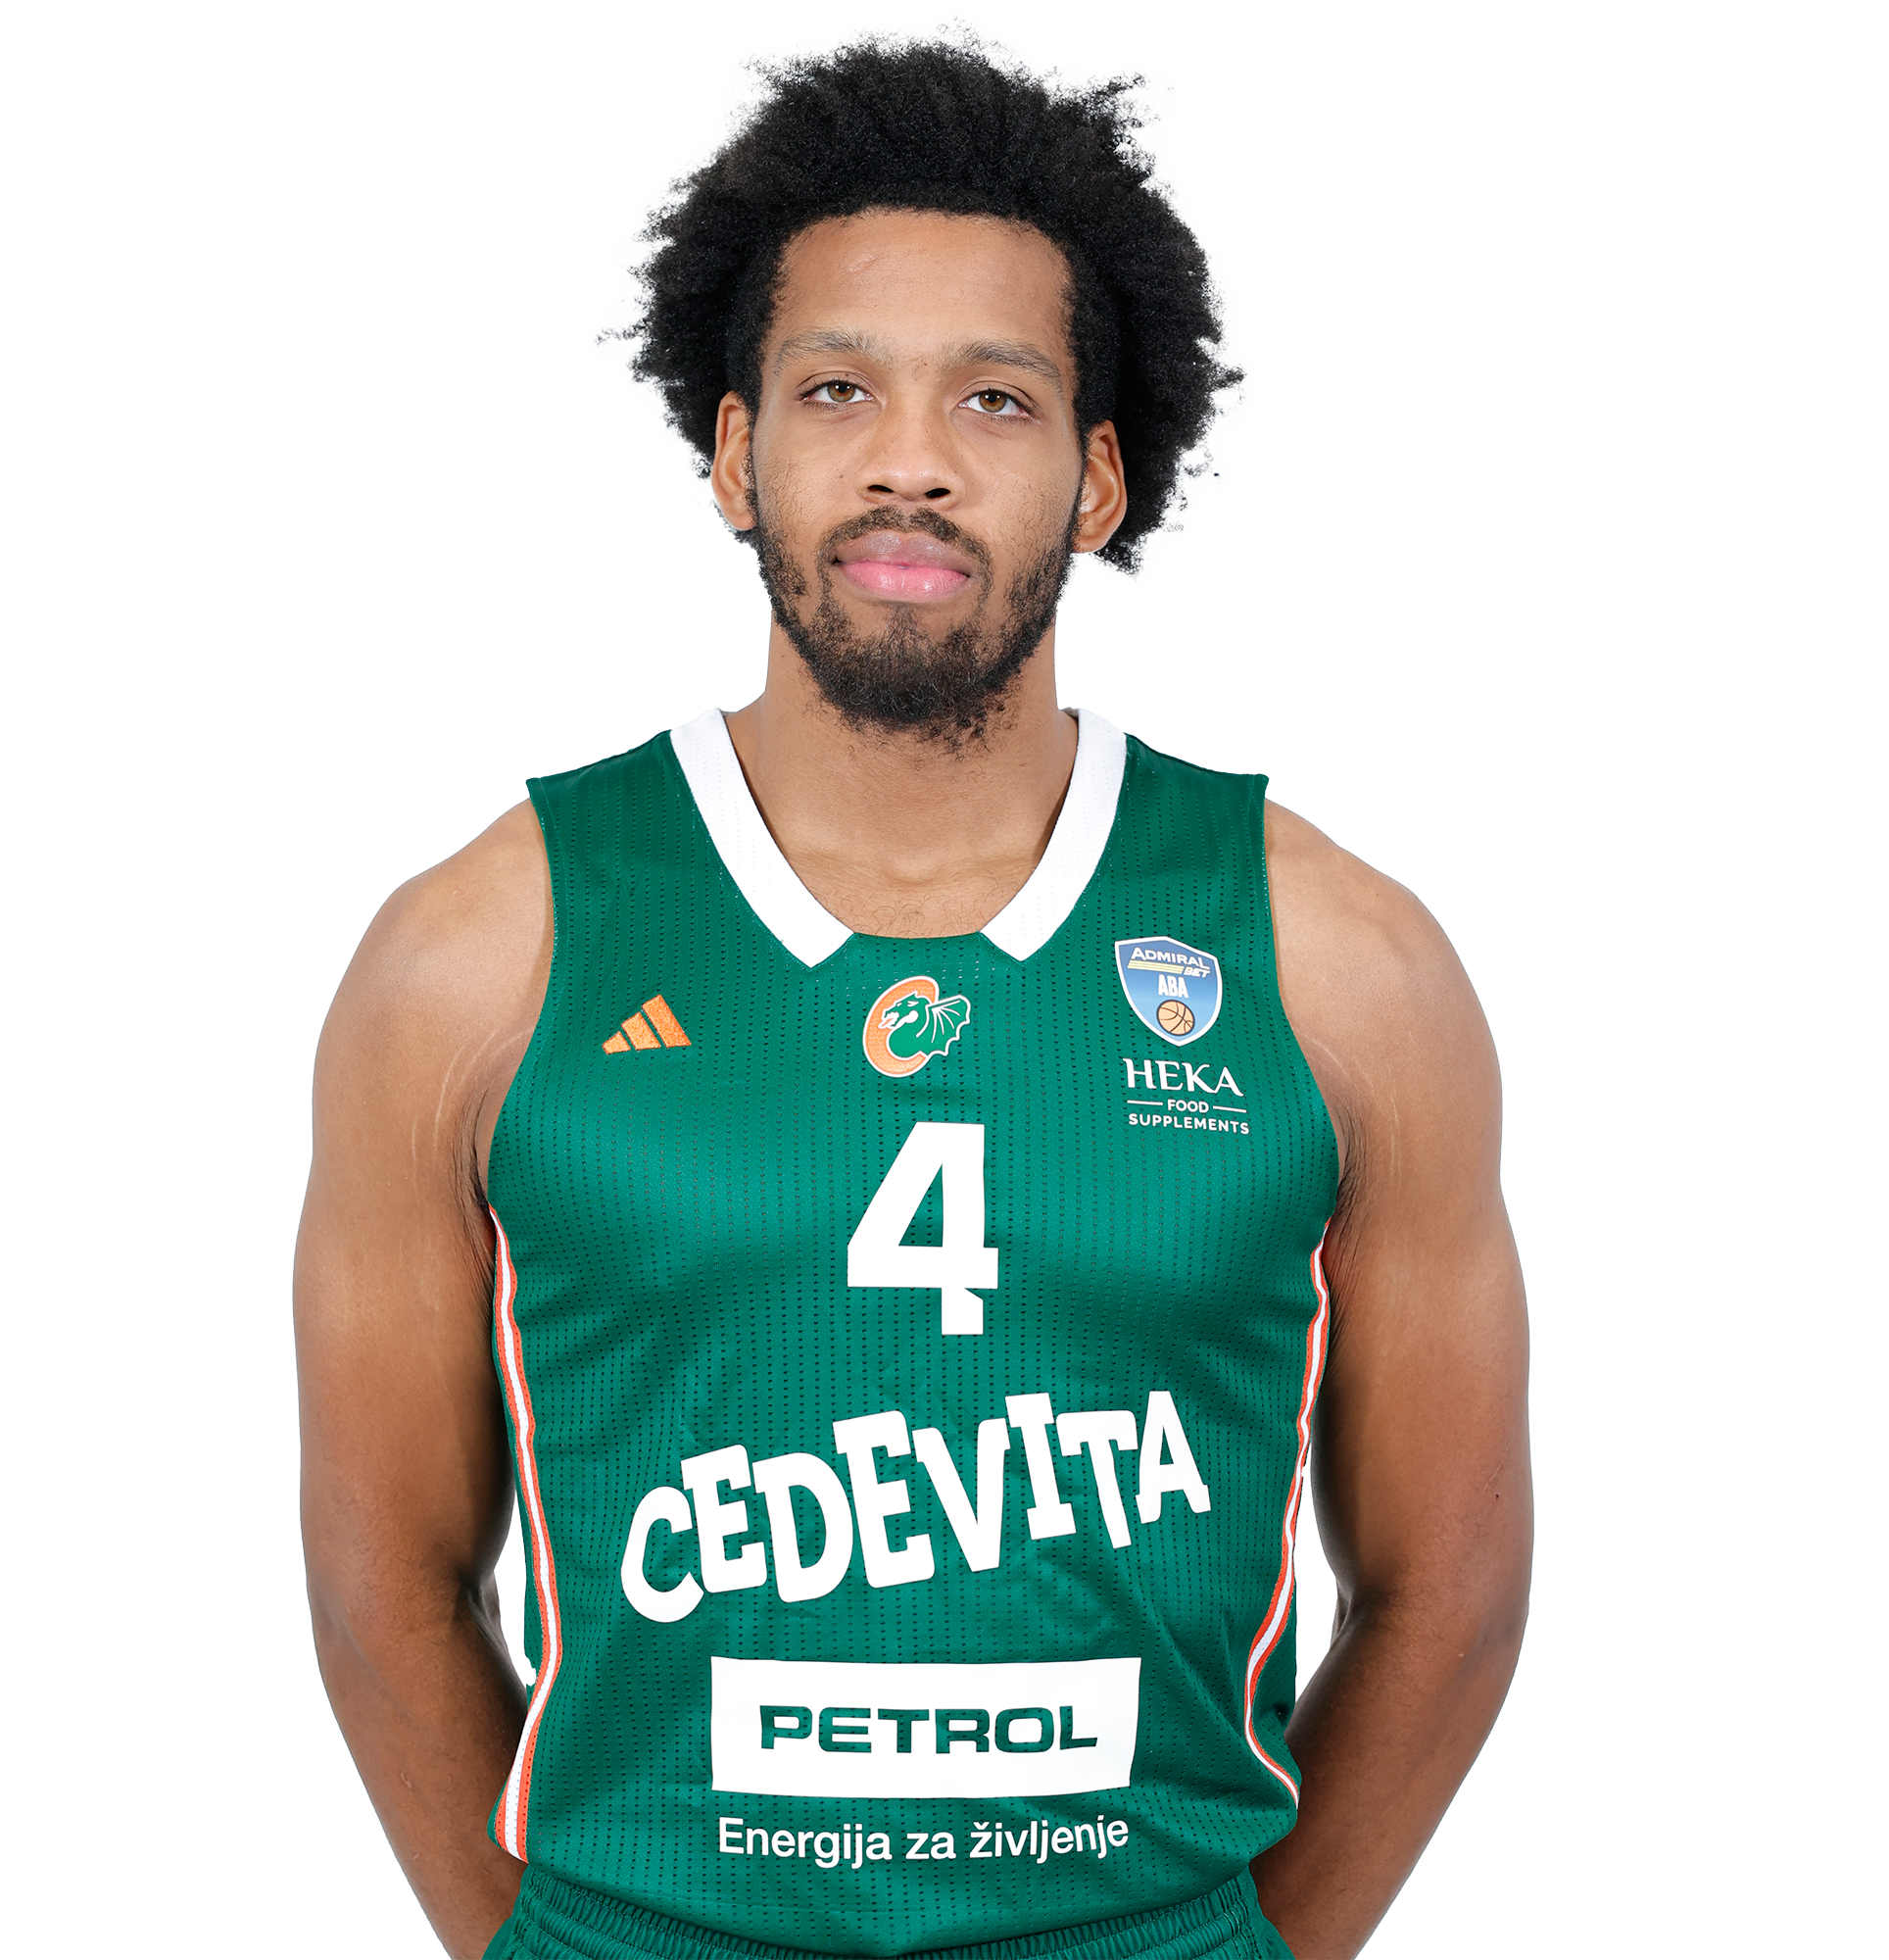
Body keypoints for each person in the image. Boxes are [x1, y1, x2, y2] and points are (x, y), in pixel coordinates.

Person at [296, 25, 1531, 1960]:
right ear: (733, 454)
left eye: (996, 400)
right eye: (836, 388)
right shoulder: (476, 958)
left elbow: (1449, 1594)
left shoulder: (1338, 966)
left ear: (1100, 478)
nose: (910, 459)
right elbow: (383, 1580)